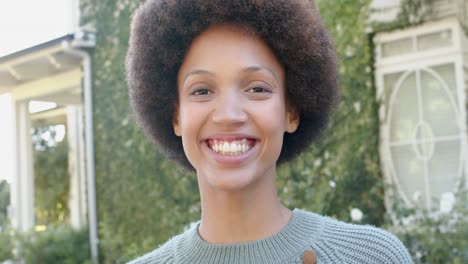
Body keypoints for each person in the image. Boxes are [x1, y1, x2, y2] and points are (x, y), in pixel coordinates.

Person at [125, 0, 413, 263]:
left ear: (291, 111)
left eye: (257, 89)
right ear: (176, 116)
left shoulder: (373, 257)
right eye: (201, 90)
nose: (228, 115)